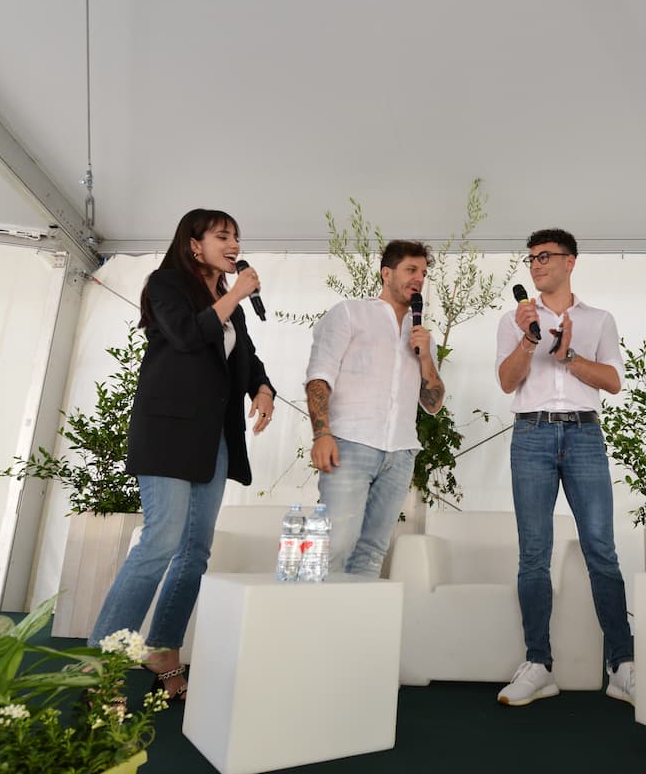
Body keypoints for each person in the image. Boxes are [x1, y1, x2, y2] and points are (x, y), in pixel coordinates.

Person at [89, 208, 276, 700]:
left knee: (195, 552)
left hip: (214, 438)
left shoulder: (228, 304)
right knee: (160, 541)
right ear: (194, 244)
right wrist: (235, 294)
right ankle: (102, 664)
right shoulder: (166, 285)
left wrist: (263, 388)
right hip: (168, 434)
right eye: (223, 236)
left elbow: (246, 356)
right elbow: (188, 336)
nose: (234, 245)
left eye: (237, 237)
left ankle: (163, 652)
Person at [494, 228, 635, 706]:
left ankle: (622, 666)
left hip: (584, 435)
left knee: (602, 550)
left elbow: (612, 381)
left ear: (570, 261)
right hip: (531, 434)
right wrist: (527, 339)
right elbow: (507, 381)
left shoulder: (599, 319)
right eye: (531, 258)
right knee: (534, 553)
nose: (536, 265)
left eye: (545, 256)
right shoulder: (515, 319)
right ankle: (538, 665)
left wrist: (568, 355)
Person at [304, 240, 446, 577]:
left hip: (400, 452)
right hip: (350, 445)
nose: (419, 278)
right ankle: (313, 611)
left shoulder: (420, 334)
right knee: (335, 544)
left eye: (423, 273)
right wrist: (322, 434)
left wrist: (426, 357)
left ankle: (357, 614)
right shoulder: (350, 313)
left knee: (372, 552)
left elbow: (433, 404)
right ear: (387, 273)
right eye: (411, 270)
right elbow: (319, 378)